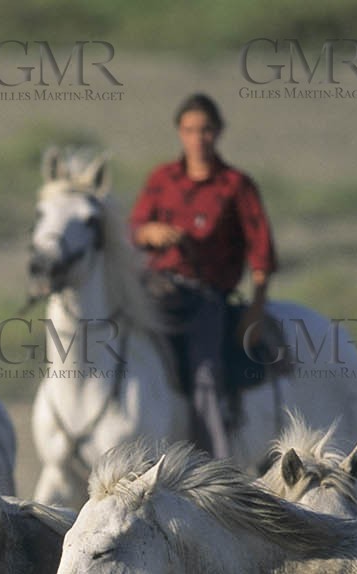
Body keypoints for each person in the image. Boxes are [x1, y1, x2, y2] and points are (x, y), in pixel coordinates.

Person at [130, 92, 277, 458]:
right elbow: (132, 228)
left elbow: (261, 250)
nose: (199, 138)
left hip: (205, 297)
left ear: (219, 132)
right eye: (191, 129)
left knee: (206, 376)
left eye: (206, 130)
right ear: (179, 132)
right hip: (155, 288)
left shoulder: (235, 186)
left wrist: (257, 308)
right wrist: (150, 233)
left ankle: (214, 464)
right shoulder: (162, 178)